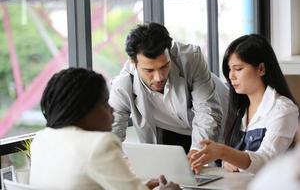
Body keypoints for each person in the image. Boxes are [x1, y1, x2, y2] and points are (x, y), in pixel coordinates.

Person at [29, 68, 181, 190]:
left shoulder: (41, 139)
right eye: (105, 103)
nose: (112, 110)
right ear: (83, 110)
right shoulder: (99, 144)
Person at [109, 22, 228, 155]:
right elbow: (112, 136)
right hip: (174, 130)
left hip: (225, 120)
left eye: (164, 66)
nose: (159, 77)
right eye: (149, 70)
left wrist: (197, 152)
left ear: (169, 52)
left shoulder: (191, 59)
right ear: (133, 63)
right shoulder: (123, 86)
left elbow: (208, 112)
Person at [189, 34, 299, 174]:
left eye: (238, 69)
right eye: (229, 69)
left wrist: (224, 152)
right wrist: (226, 160)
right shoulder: (239, 110)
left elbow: (266, 162)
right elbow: (229, 165)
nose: (231, 76)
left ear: (261, 69)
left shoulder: (283, 109)